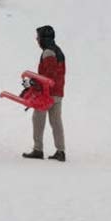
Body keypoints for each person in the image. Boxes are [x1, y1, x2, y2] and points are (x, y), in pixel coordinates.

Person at [23, 25, 67, 162]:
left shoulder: (48, 52)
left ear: (44, 38)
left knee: (38, 119)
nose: (37, 40)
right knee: (56, 122)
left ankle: (38, 149)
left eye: (38, 37)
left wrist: (32, 83)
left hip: (47, 93)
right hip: (58, 92)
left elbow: (48, 75)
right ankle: (60, 151)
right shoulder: (58, 50)